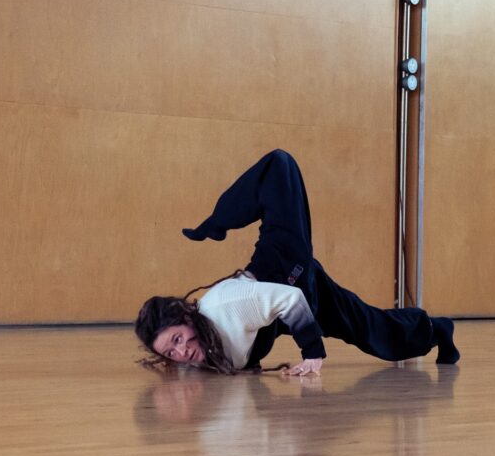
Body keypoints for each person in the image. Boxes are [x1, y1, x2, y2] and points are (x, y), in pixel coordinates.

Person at [135, 149, 460, 376]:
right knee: (379, 337)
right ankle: (439, 329)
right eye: (170, 353)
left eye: (177, 340)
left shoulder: (227, 306)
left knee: (279, 166)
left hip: (284, 269)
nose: (181, 353)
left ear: (186, 318)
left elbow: (290, 300)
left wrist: (312, 354)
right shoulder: (197, 353)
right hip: (290, 300)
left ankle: (216, 222)